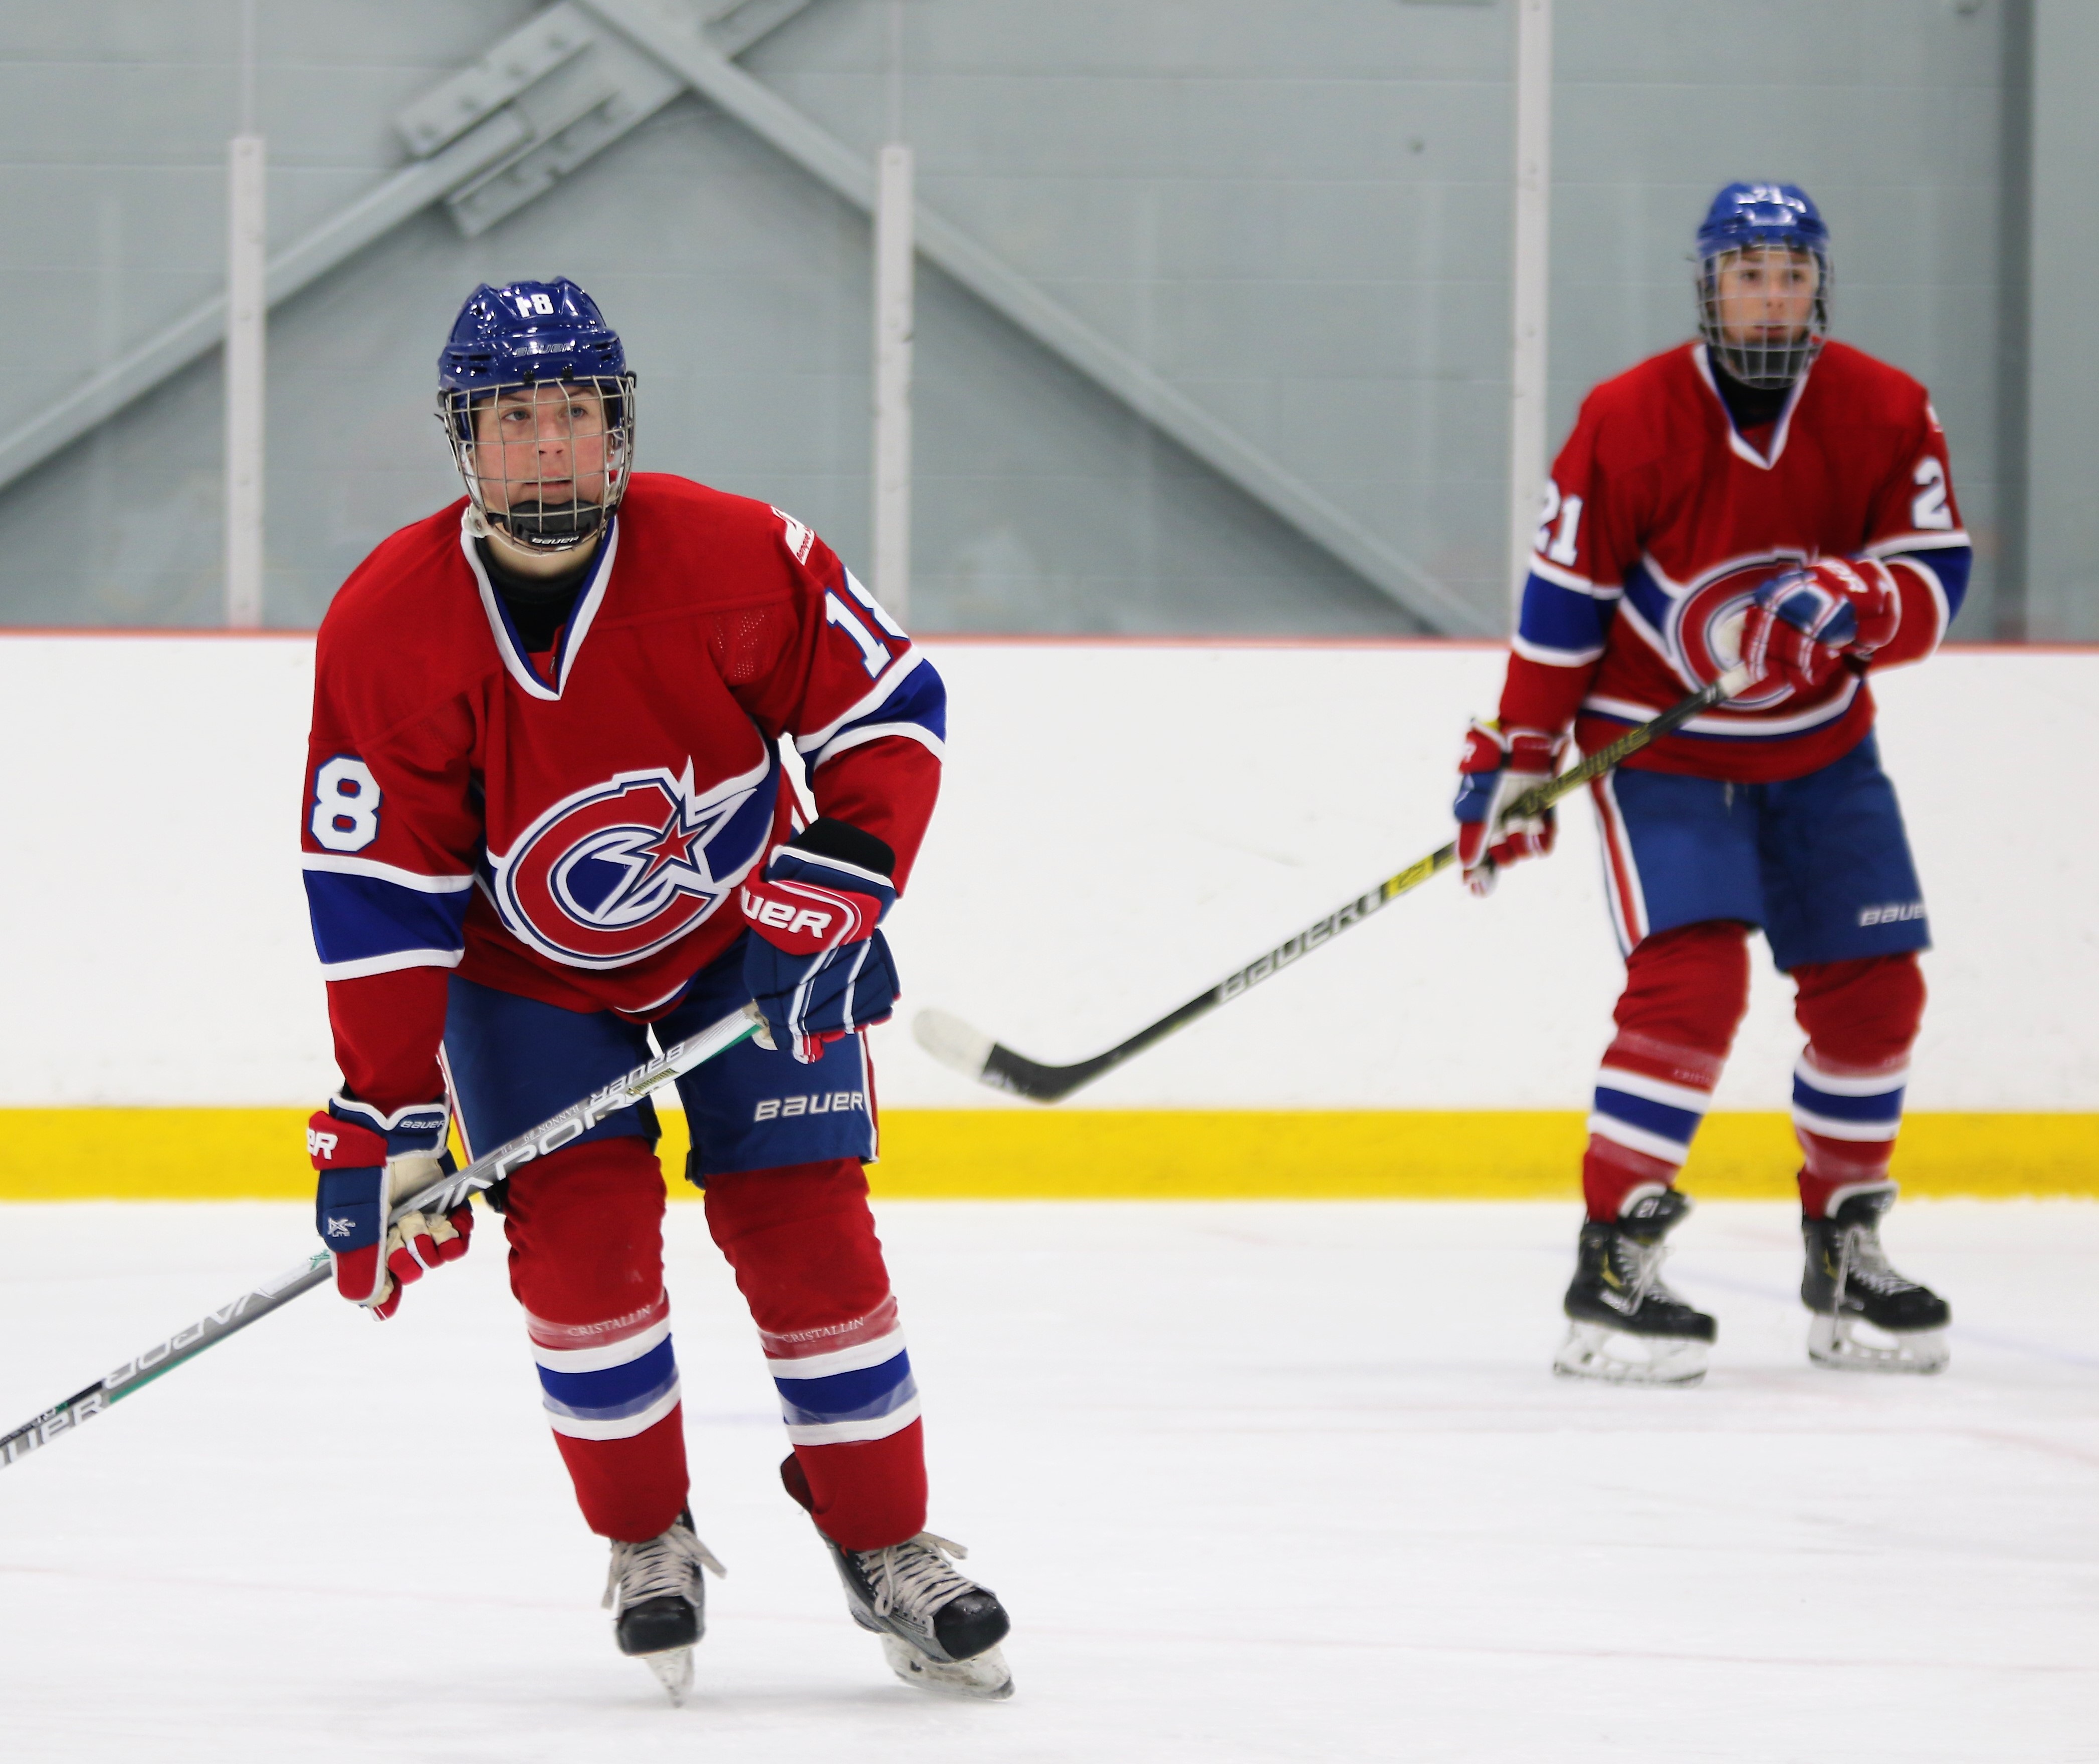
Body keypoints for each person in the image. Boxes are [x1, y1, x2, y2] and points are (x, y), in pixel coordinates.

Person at [299, 278, 1011, 1701]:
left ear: (617, 427)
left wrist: (844, 877)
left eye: (575, 412)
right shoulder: (388, 624)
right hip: (524, 986)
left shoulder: (740, 553)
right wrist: (385, 1119)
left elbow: (887, 714)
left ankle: (883, 1538)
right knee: (582, 1246)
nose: (550, 446)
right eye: (516, 418)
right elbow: (383, 897)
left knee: (809, 1229)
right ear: (466, 441)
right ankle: (646, 1539)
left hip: (752, 952)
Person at [1453, 184, 1965, 1386]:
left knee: (1875, 991)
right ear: (1710, 286)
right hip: (1661, 747)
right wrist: (1522, 749)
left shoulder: (1888, 408)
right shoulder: (1628, 418)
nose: (1771, 293)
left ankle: (1846, 1246)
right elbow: (1563, 604)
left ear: (1818, 287)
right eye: (1749, 272)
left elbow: (1935, 571)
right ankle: (1615, 1259)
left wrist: (1865, 600)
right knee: (1692, 980)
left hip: (1824, 747)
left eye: (1791, 272)